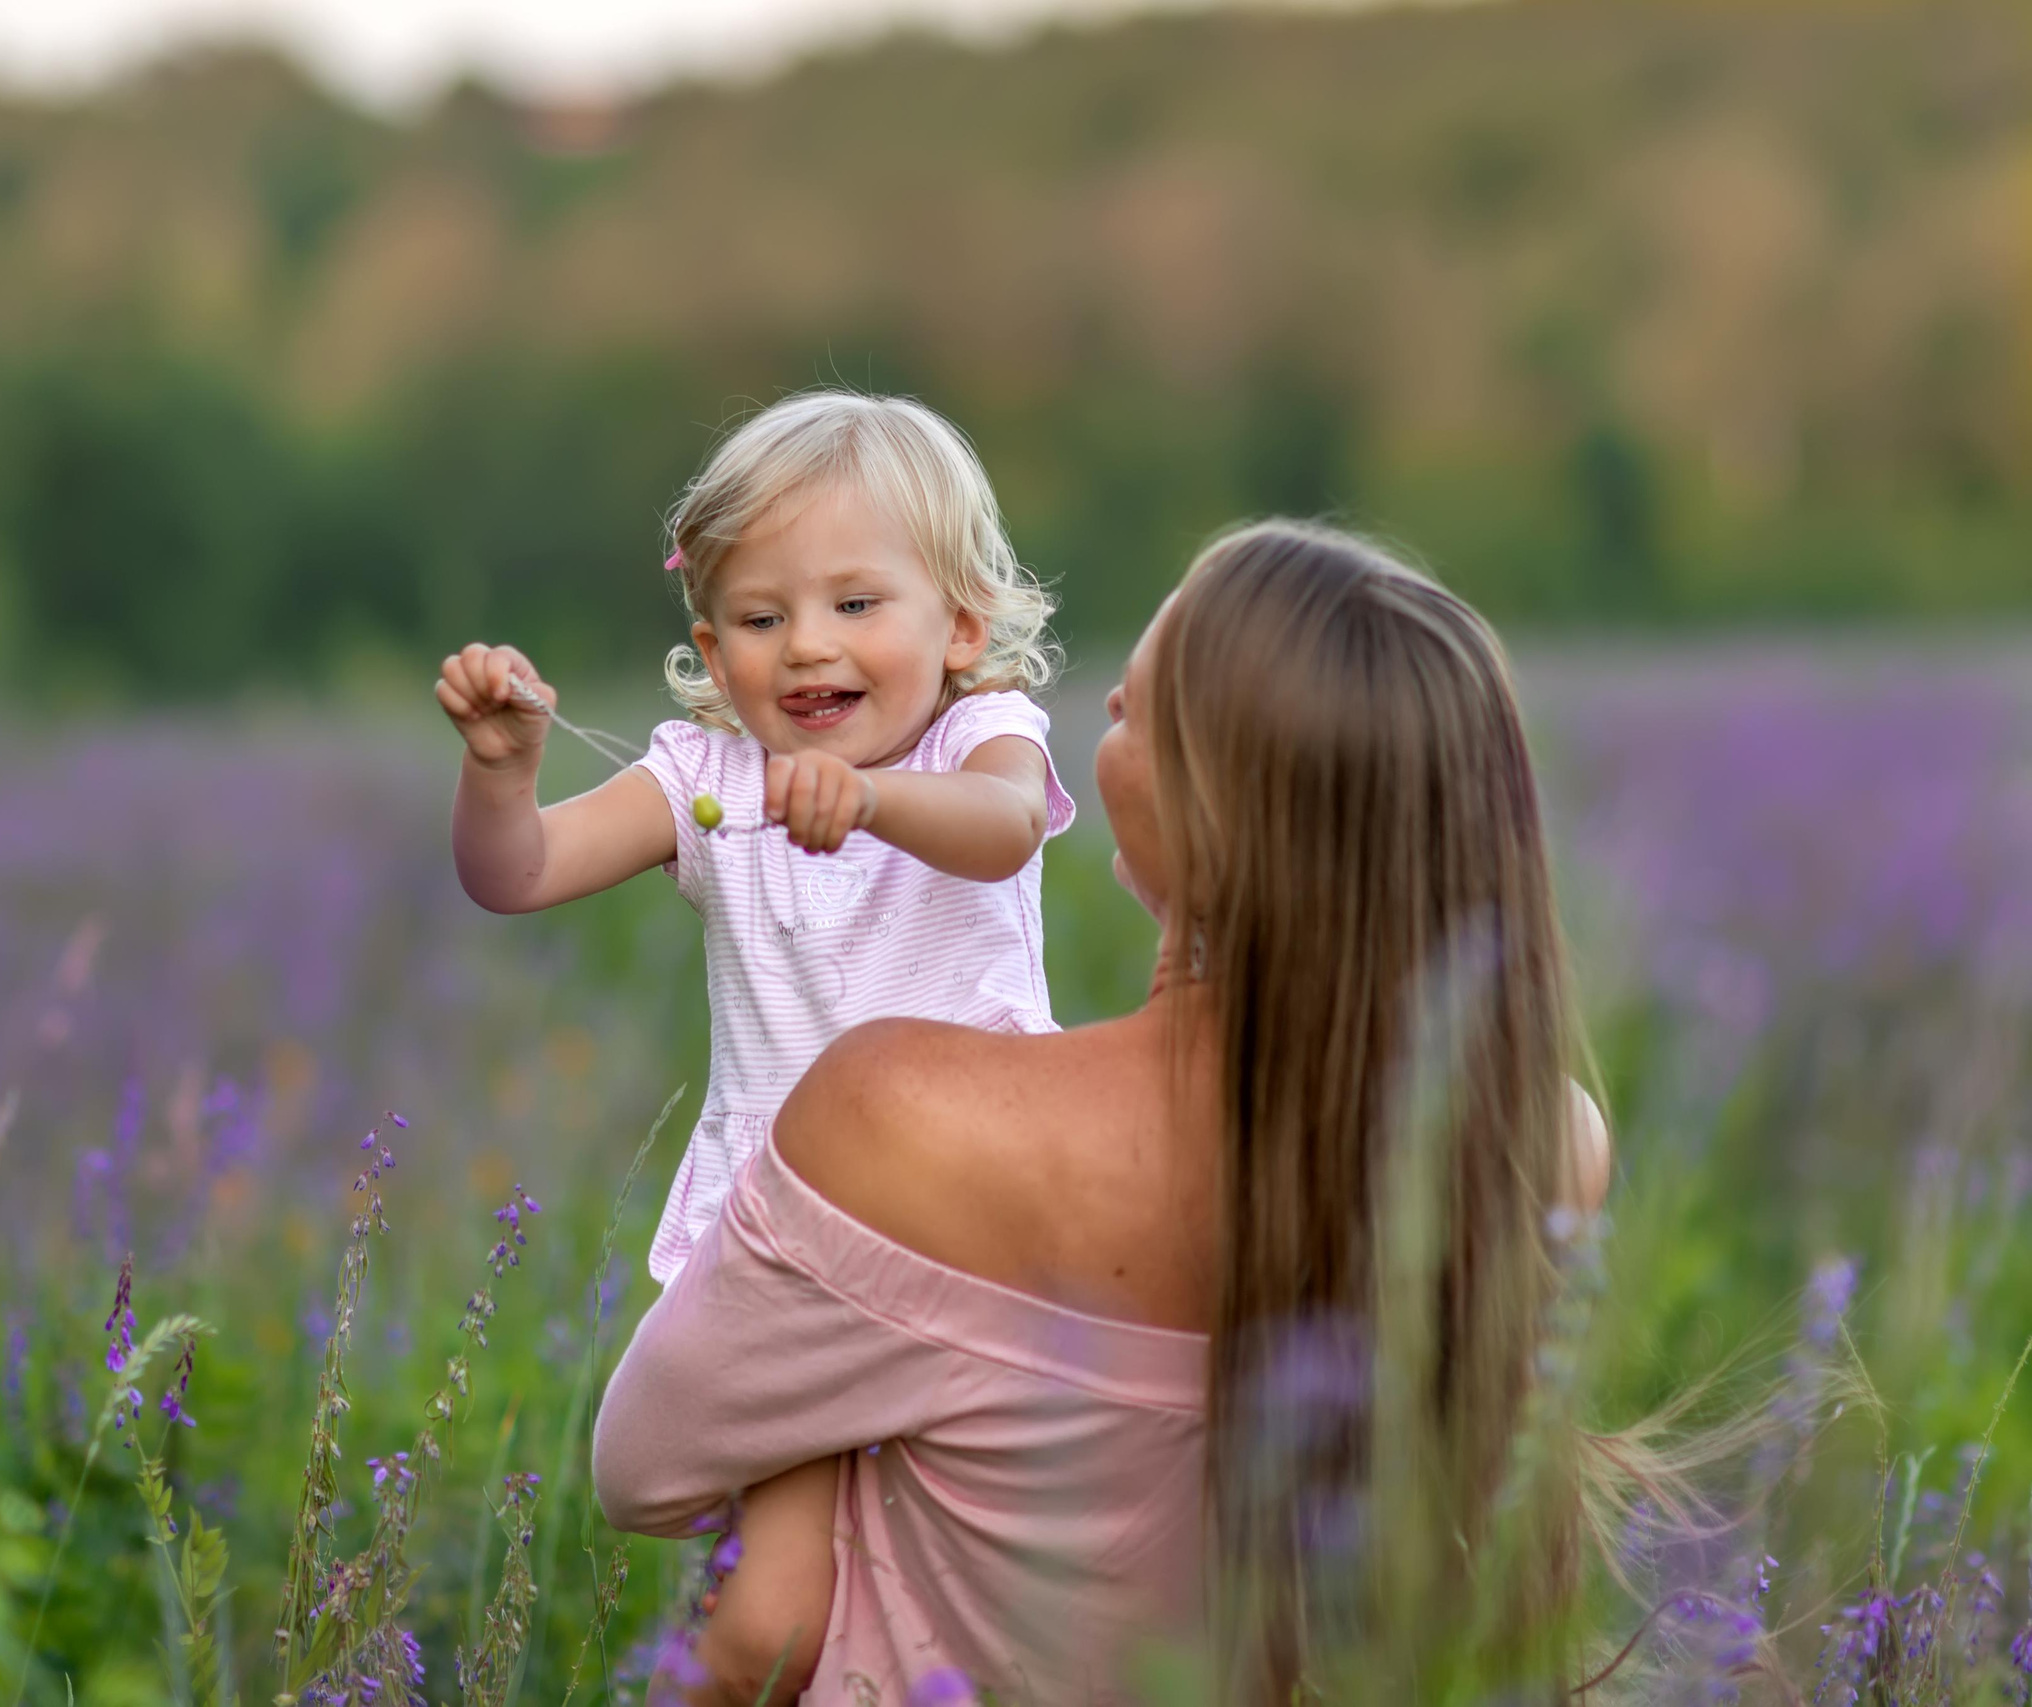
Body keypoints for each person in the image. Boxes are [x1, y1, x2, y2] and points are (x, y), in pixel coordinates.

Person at [592, 520, 1615, 1704]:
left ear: (1223, 800)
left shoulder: (898, 1118)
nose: (1108, 711)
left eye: (1137, 707)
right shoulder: (1536, 1144)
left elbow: (643, 1470)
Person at [435, 388, 1080, 1639]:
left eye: (856, 605)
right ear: (711, 642)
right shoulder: (707, 776)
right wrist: (500, 773)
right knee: (774, 1620)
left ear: (959, 623)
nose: (805, 647)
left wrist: (871, 800)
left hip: (978, 1230)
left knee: (976, 1590)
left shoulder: (978, 739)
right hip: (792, 1248)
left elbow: (1005, 831)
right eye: (761, 617)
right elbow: (515, 876)